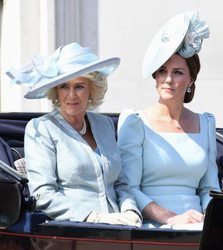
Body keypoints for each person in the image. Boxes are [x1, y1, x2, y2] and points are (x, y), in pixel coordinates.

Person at [5, 42, 141, 226]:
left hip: (120, 229)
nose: (71, 95)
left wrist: (130, 210)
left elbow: (120, 183)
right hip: (71, 231)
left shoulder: (105, 124)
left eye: (79, 86)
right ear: (55, 91)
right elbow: (43, 194)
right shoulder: (41, 128)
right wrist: (93, 217)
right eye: (64, 86)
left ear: (92, 89)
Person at [117, 11, 221, 228]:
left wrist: (212, 222)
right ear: (155, 76)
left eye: (177, 72)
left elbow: (209, 189)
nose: (168, 79)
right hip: (151, 229)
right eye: (162, 71)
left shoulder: (206, 123)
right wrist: (171, 218)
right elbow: (128, 187)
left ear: (191, 79)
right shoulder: (135, 122)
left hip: (199, 228)